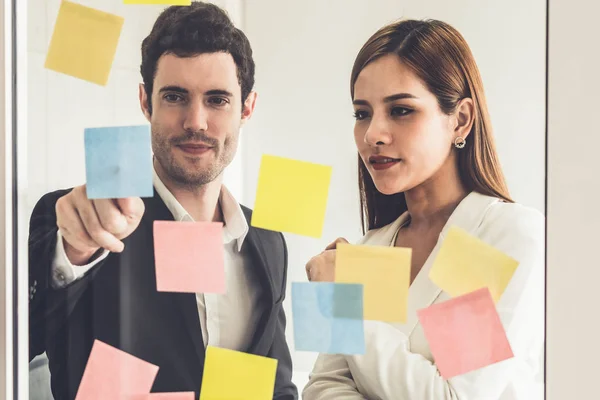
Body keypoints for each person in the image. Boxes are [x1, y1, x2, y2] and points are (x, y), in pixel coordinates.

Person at [28, 2, 297, 399]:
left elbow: (275, 387)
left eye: (217, 100)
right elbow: (17, 344)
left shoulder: (267, 241)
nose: (196, 122)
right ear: (145, 102)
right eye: (175, 96)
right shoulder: (86, 221)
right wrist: (71, 253)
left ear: (247, 108)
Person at [302, 19, 544, 400]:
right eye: (362, 113)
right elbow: (321, 388)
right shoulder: (370, 247)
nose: (372, 135)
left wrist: (345, 303)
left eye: (400, 110)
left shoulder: (502, 235)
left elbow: (451, 395)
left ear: (460, 120)